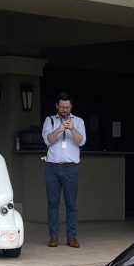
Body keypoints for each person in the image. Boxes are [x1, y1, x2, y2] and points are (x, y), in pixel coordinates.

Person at [42, 92, 86, 248]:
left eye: (67, 107)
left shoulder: (79, 121)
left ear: (71, 107)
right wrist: (59, 129)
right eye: (62, 107)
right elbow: (48, 140)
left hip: (70, 168)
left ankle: (71, 237)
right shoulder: (50, 120)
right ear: (57, 106)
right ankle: (53, 237)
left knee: (71, 204)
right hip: (52, 168)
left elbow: (81, 142)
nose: (65, 110)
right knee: (53, 204)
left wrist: (72, 129)